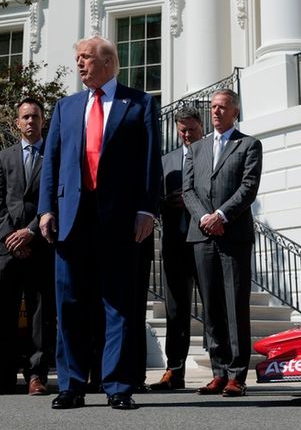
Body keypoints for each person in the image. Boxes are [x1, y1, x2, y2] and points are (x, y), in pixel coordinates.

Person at [38, 36, 162, 411]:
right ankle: (72, 385)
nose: (79, 64)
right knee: (70, 304)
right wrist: (46, 209)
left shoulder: (139, 103)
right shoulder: (66, 106)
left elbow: (150, 162)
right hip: (72, 220)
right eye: (77, 58)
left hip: (119, 220)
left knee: (118, 306)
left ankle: (118, 386)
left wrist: (147, 210)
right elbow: (52, 162)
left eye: (86, 58)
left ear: (108, 62)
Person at [182, 90, 261, 398]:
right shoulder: (196, 148)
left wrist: (221, 215)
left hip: (233, 236)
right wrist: (205, 218)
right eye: (213, 107)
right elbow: (188, 190)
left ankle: (237, 375)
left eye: (222, 107)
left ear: (235, 112)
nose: (215, 111)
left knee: (234, 306)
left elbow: (248, 187)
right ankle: (218, 372)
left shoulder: (249, 145)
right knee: (211, 306)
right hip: (202, 235)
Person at [0, 97, 55, 396]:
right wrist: (10, 238)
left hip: (40, 246)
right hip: (7, 249)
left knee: (41, 314)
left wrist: (30, 233)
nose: (30, 121)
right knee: (7, 312)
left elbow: (56, 198)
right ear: (17, 123)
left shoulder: (54, 157)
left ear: (43, 121)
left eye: (35, 116)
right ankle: (4, 374)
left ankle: (36, 375)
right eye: (25, 117)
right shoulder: (4, 158)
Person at [148, 107, 204, 392]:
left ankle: (223, 371)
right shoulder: (166, 161)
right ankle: (174, 371)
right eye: (182, 130)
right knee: (175, 310)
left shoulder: (211, 155)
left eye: (191, 129)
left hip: (206, 242)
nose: (186, 134)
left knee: (214, 307)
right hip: (174, 244)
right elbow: (153, 199)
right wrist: (166, 201)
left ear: (201, 127)